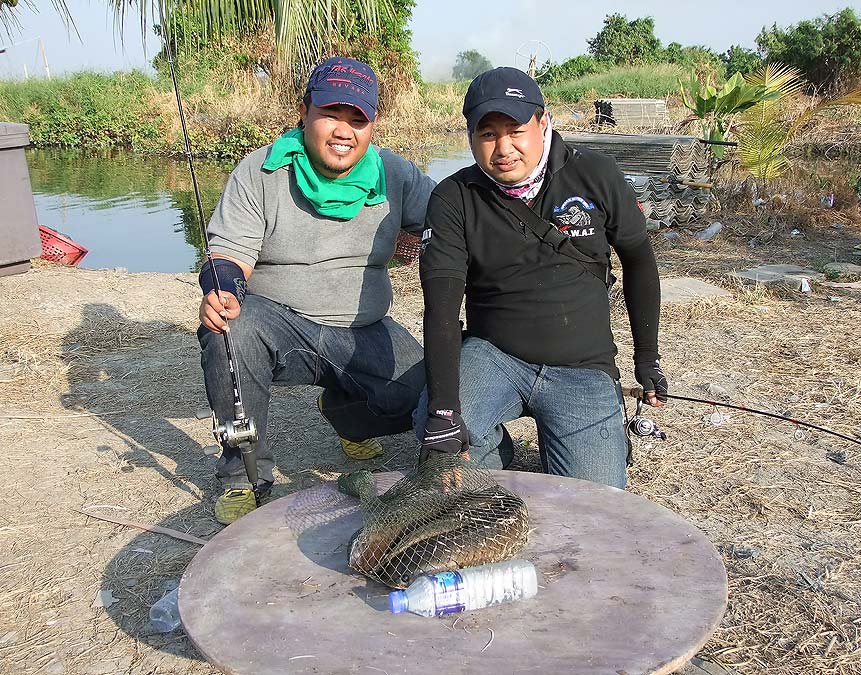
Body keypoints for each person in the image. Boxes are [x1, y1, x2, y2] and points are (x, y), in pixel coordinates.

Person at [199, 57, 435, 524]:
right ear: (304, 111)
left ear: (372, 126)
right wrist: (223, 288)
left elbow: (455, 216)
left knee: (428, 394)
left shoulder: (396, 174)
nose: (343, 131)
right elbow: (227, 251)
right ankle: (241, 476)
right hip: (278, 319)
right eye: (331, 114)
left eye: (357, 120)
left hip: (364, 327)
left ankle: (343, 411)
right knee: (230, 330)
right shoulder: (260, 171)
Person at [415, 67, 667, 488]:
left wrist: (648, 357)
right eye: (487, 134)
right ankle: (495, 450)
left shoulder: (596, 174)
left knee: (594, 501)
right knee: (441, 448)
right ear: (471, 138)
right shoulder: (452, 197)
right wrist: (443, 410)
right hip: (495, 356)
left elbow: (639, 261)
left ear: (543, 122)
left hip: (583, 367)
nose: (503, 148)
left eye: (515, 129)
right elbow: (440, 305)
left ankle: (602, 439)